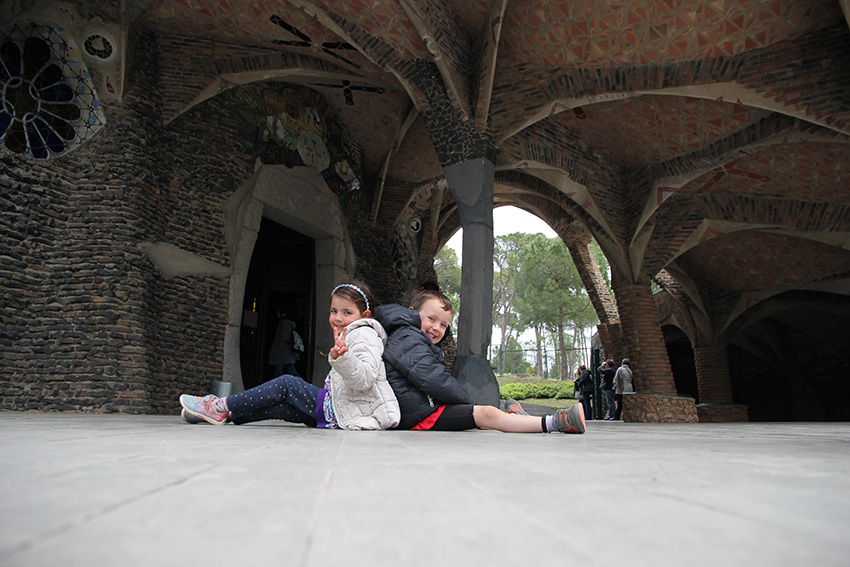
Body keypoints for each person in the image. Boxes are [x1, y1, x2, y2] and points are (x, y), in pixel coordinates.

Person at [179, 282, 400, 430]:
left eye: (347, 312)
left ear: (365, 315)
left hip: (345, 410)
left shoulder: (364, 334)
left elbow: (364, 379)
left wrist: (344, 358)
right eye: (334, 311)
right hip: (343, 408)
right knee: (284, 408)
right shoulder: (350, 334)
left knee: (287, 384)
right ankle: (226, 415)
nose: (338, 318)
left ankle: (218, 406)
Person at [373, 288, 585, 434]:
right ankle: (555, 423)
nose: (437, 328)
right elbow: (434, 380)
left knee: (485, 417)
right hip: (417, 416)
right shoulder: (407, 337)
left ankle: (518, 418)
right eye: (431, 319)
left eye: (444, 325)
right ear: (412, 313)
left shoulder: (410, 336)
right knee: (485, 414)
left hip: (421, 409)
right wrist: (468, 403)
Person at [269, 304, 300, 378]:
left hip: (282, 353)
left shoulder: (284, 323)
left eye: (279, 312)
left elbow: (284, 337)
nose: (277, 314)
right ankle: (302, 385)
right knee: (291, 370)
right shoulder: (290, 323)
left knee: (279, 372)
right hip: (287, 353)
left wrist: (278, 349)